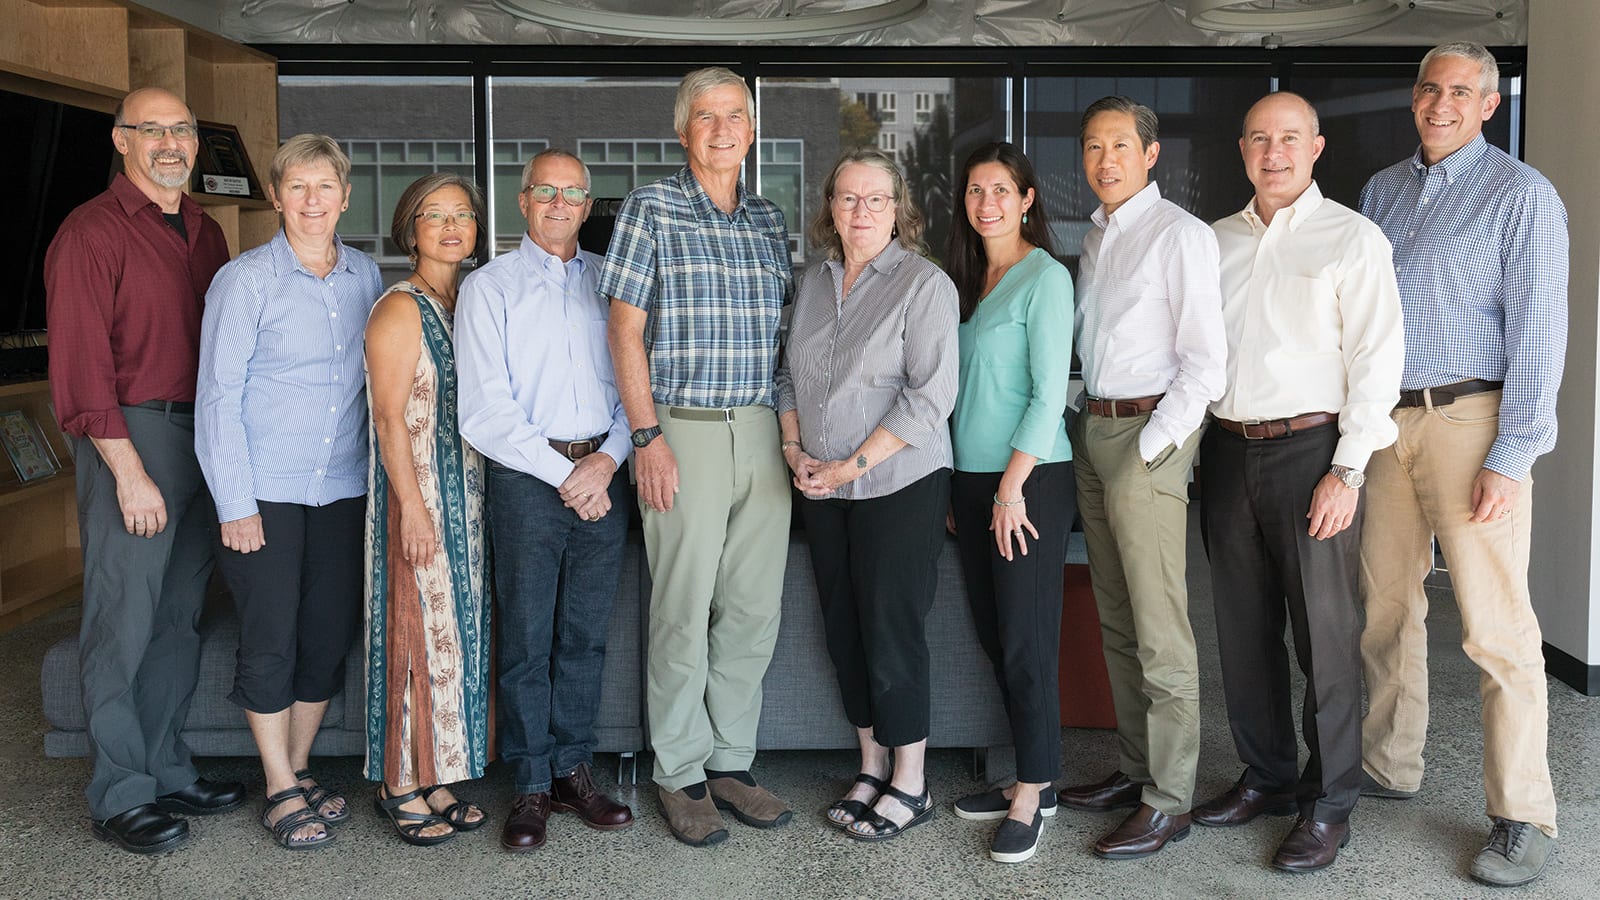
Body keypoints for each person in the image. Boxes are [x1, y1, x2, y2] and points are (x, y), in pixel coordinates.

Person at [1359, 41, 1569, 888]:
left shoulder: (1522, 196)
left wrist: (1512, 453)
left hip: (1475, 422)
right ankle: (1388, 766)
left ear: (1489, 104)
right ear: (1414, 98)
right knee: (1384, 609)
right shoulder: (1380, 191)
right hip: (1385, 425)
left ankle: (1523, 814)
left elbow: (1540, 333)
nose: (1440, 103)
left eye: (1460, 91)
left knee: (1496, 629)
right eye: (1429, 88)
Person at [1196, 92, 1403, 873]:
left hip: (1313, 453)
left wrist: (1347, 470)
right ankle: (1268, 778)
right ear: (1242, 149)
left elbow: (1377, 364)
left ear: (1316, 147)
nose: (1273, 152)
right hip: (1225, 449)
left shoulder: (1353, 239)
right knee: (1242, 632)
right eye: (1258, 139)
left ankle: (1330, 801)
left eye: (1289, 138)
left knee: (1325, 637)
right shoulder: (1212, 242)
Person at [44, 86, 245, 855]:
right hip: (134, 439)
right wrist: (128, 473)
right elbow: (81, 373)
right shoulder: (89, 234)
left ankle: (165, 766)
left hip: (203, 439)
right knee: (122, 619)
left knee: (177, 616)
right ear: (121, 141)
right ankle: (120, 791)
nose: (170, 142)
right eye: (151, 129)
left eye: (182, 129)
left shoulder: (205, 230)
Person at [601, 66, 794, 848]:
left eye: (736, 115)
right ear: (684, 132)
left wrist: (787, 438)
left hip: (759, 430)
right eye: (707, 117)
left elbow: (785, 345)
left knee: (752, 609)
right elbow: (622, 331)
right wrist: (647, 437)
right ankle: (679, 770)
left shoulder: (767, 219)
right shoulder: (651, 208)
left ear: (751, 129)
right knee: (682, 606)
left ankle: (730, 762)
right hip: (680, 427)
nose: (723, 128)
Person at [196, 134, 382, 851]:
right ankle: (277, 785)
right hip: (264, 489)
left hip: (342, 488)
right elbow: (217, 396)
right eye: (297, 187)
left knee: (327, 636)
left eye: (324, 187)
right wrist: (234, 503)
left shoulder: (367, 276)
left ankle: (299, 769)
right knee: (270, 637)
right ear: (276, 196)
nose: (312, 201)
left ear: (344, 195)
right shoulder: (245, 281)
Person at [773, 150, 958, 843]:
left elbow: (930, 398)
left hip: (896, 485)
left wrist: (849, 467)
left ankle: (912, 779)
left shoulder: (923, 284)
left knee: (891, 629)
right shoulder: (814, 283)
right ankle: (872, 764)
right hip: (819, 482)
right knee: (843, 626)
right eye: (847, 198)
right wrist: (795, 451)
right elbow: (787, 378)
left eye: (875, 199)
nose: (860, 211)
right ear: (830, 207)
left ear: (898, 207)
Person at [1061, 95, 1227, 859]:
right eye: (1093, 146)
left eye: (1120, 145)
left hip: (1147, 434)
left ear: (1151, 154)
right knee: (1118, 620)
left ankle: (1169, 799)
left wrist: (1155, 447)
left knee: (1161, 629)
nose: (1104, 160)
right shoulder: (1096, 237)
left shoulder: (1180, 236)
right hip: (1094, 427)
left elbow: (1205, 365)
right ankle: (1135, 771)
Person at [457, 149, 636, 852]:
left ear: (588, 207)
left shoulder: (611, 282)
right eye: (545, 192)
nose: (559, 204)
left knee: (585, 638)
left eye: (573, 194)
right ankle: (530, 782)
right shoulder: (490, 288)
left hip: (604, 471)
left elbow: (633, 384)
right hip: (527, 480)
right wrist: (566, 477)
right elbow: (484, 410)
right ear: (524, 201)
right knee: (528, 639)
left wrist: (606, 461)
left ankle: (572, 771)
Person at [944, 142, 1076, 865]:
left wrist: (1008, 487)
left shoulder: (1045, 278)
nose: (986, 202)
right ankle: (1039, 770)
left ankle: (1032, 789)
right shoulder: (968, 279)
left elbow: (1047, 393)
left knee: (1026, 639)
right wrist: (961, 486)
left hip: (1027, 482)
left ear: (1027, 199)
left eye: (1000, 190)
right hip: (972, 481)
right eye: (974, 191)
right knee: (997, 636)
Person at [363, 172, 491, 846]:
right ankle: (397, 784)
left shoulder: (464, 298)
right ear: (409, 228)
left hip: (464, 494)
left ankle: (435, 772)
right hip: (416, 497)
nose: (450, 227)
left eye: (462, 215)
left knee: (453, 638)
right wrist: (412, 509)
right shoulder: (400, 307)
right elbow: (387, 417)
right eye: (434, 215)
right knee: (412, 636)